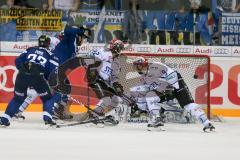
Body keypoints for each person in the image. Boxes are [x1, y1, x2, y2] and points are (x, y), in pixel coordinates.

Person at [129, 56, 215, 132]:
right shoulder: (144, 76)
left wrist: (172, 86)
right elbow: (145, 88)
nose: (137, 68)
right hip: (166, 89)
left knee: (188, 104)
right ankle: (156, 119)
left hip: (177, 84)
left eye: (138, 65)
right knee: (149, 96)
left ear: (144, 64)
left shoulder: (155, 66)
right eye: (136, 66)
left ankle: (206, 123)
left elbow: (172, 74)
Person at [0, 35, 59, 127]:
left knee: (17, 98)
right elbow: (52, 71)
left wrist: (25, 71)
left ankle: (4, 119)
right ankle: (47, 119)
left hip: (22, 75)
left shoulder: (30, 49)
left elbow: (18, 61)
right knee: (47, 98)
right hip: (37, 77)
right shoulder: (51, 55)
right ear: (48, 44)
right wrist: (47, 79)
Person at [73, 39, 125, 123]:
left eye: (120, 48)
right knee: (107, 99)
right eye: (119, 48)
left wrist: (116, 86)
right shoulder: (105, 52)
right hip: (95, 79)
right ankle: (93, 115)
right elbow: (89, 59)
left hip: (103, 81)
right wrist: (92, 73)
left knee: (115, 100)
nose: (119, 50)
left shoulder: (116, 62)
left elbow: (113, 77)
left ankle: (98, 114)